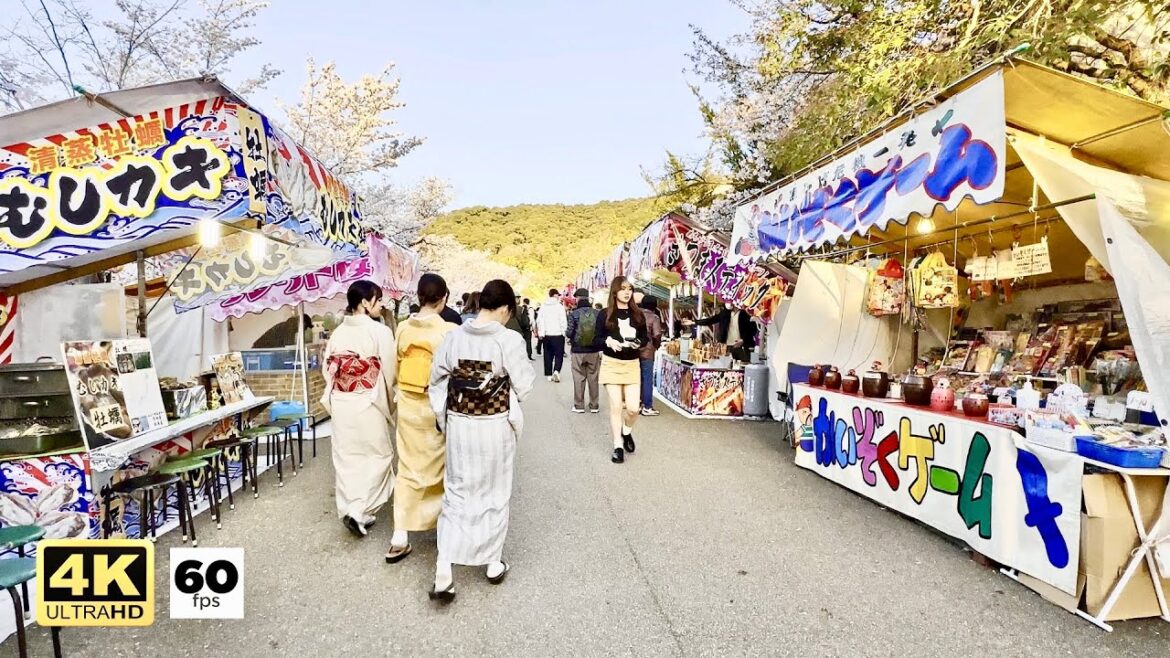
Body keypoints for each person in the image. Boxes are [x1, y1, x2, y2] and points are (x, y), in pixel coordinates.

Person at [428, 279, 535, 602]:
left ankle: (443, 573)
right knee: (494, 492)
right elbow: (524, 385)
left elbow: (437, 380)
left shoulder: (453, 336)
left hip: (461, 424)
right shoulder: (509, 340)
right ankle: (491, 562)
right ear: (504, 308)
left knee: (457, 493)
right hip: (493, 425)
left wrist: (446, 411)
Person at [384, 274, 456, 563]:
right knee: (441, 467)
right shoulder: (448, 330)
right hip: (436, 407)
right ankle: (443, 529)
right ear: (444, 298)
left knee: (408, 467)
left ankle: (399, 536)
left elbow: (394, 369)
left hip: (409, 407)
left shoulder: (403, 329)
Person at [321, 280, 397, 537]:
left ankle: (352, 509)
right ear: (365, 302)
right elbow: (389, 370)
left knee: (347, 458)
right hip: (368, 400)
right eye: (378, 299)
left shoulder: (338, 334)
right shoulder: (380, 332)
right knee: (379, 456)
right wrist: (387, 400)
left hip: (342, 401)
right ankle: (361, 509)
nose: (381, 304)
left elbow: (327, 370)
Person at [597, 276, 647, 464]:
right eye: (623, 288)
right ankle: (617, 446)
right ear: (615, 291)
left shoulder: (638, 314)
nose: (627, 292)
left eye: (630, 289)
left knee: (633, 409)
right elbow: (597, 339)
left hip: (632, 364)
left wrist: (638, 343)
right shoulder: (605, 314)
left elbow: (645, 338)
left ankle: (626, 432)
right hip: (611, 363)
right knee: (616, 406)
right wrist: (607, 341)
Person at [565, 288, 603, 413]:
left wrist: (569, 337)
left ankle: (579, 405)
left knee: (578, 377)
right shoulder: (597, 314)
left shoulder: (573, 314)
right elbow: (601, 332)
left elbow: (569, 332)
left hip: (578, 351)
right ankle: (594, 405)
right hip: (594, 351)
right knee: (593, 377)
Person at [637, 296, 664, 416]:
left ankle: (636, 404)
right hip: (647, 351)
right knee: (647, 379)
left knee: (636, 379)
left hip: (633, 350)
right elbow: (657, 334)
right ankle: (647, 406)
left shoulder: (635, 314)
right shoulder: (654, 317)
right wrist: (656, 346)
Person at [535, 288, 567, 382]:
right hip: (558, 334)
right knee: (559, 354)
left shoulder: (543, 307)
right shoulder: (559, 307)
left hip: (547, 335)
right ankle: (556, 370)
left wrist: (541, 333)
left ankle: (548, 374)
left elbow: (539, 320)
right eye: (558, 295)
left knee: (548, 354)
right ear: (555, 295)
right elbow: (563, 321)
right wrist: (564, 332)